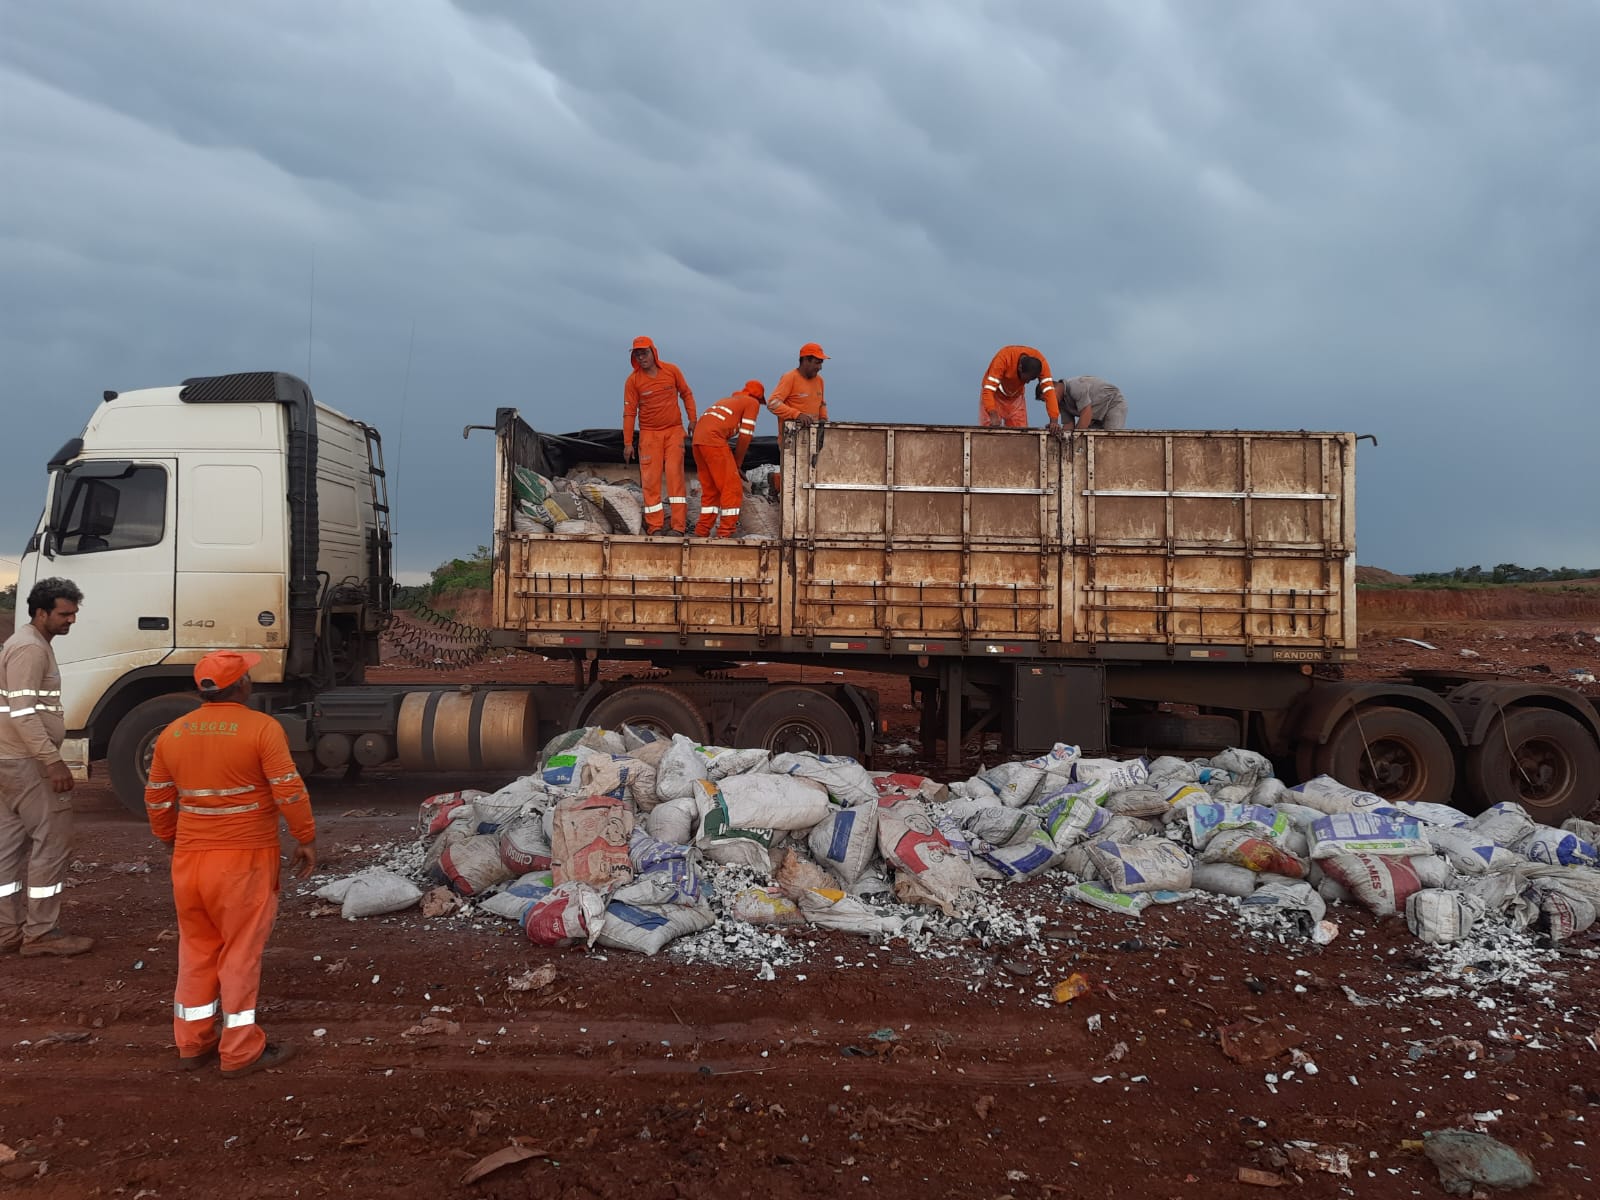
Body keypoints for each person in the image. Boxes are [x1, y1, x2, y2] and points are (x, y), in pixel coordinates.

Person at [144, 651, 317, 1077]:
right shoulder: (261, 729)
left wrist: (170, 838)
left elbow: (158, 799)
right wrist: (305, 838)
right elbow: (288, 790)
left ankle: (192, 1042)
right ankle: (240, 1050)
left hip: (189, 861)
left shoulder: (173, 733)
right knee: (240, 953)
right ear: (242, 686)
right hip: (243, 861)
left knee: (197, 950)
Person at [0, 577, 92, 958]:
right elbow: (23, 712)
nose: (70, 620)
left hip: (11, 760)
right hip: (28, 763)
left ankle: (6, 931)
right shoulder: (31, 650)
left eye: (73, 613)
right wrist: (52, 761)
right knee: (51, 842)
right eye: (64, 614)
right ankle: (40, 932)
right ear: (41, 613)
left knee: (8, 847)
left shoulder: (24, 644)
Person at [622, 336, 697, 536]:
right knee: (650, 481)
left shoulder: (672, 371)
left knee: (675, 476)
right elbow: (629, 412)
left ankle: (678, 527)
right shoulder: (633, 381)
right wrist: (628, 443)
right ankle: (655, 527)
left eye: (644, 352)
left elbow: (686, 393)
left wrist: (693, 419)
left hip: (674, 432)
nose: (641, 357)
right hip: (649, 435)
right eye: (637, 354)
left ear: (653, 352)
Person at [691, 380, 765, 538]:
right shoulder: (752, 402)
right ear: (758, 397)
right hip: (713, 440)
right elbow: (745, 436)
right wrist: (737, 464)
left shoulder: (727, 401)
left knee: (711, 490)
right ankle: (726, 532)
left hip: (698, 441)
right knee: (732, 488)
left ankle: (701, 531)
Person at [980, 345, 1061, 428]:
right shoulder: (1003, 358)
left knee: (1021, 432)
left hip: (1016, 398)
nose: (1028, 382)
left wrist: (1054, 421)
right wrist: (992, 414)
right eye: (1026, 378)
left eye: (1031, 379)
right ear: (1020, 367)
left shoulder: (1041, 363)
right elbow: (988, 390)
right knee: (990, 430)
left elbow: (1049, 391)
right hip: (994, 397)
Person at [768, 342, 829, 438]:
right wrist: (797, 415)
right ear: (805, 360)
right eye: (817, 363)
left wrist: (823, 419)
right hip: (791, 440)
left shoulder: (820, 380)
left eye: (821, 363)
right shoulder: (790, 377)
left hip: (813, 438)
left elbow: (821, 403)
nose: (820, 367)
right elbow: (772, 404)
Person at [1060, 376, 1129, 430]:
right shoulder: (1060, 402)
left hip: (1113, 404)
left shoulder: (1075, 386)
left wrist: (1075, 438)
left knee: (1111, 440)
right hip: (1095, 416)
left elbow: (1086, 414)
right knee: (1090, 443)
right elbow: (1068, 425)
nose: (1049, 403)